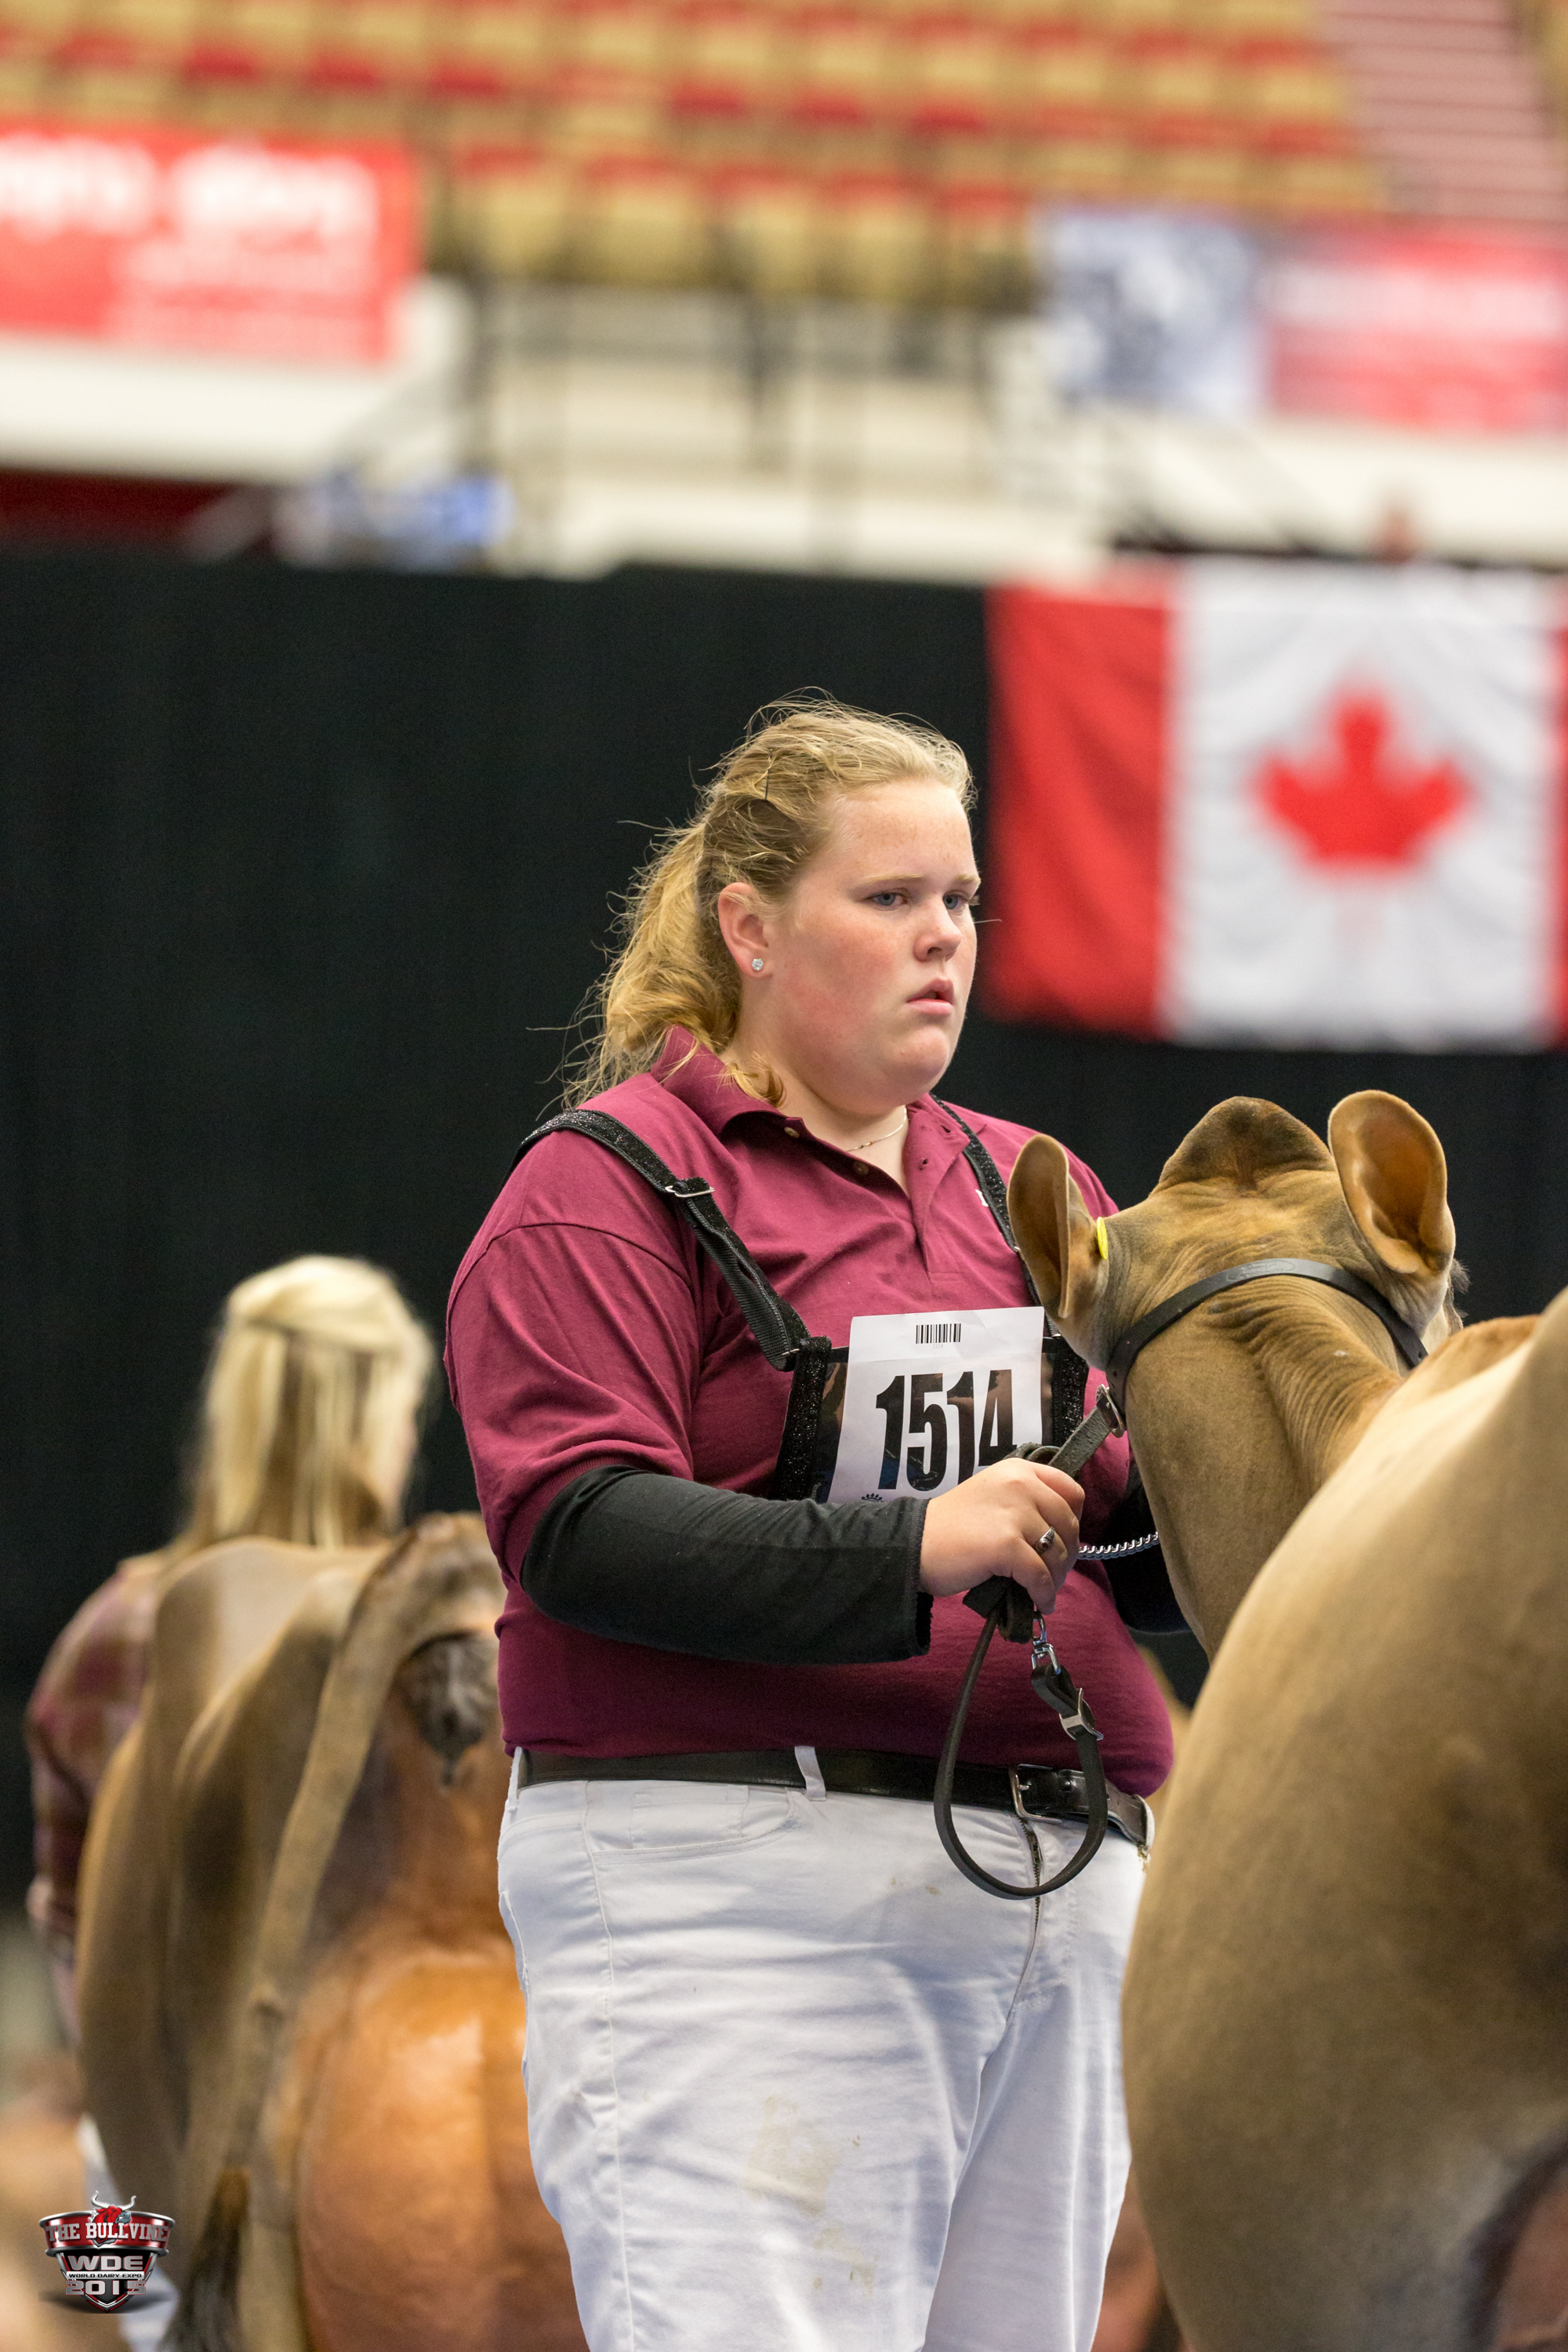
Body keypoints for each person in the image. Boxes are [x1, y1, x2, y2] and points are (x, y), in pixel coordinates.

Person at [447, 698, 1175, 2352]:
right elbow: (575, 1527)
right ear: (750, 927)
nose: (944, 938)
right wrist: (919, 1546)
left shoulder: (1034, 1188)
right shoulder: (604, 1185)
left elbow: (1136, 1552)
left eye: (962, 900)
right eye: (891, 896)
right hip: (733, 1901)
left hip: (1058, 1897)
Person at [24, 1254, 432, 2350]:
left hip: (150, 2145)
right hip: (390, 2124)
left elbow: (73, 1929)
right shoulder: (428, 1639)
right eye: (405, 1413)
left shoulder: (116, 1630)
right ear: (371, 1419)